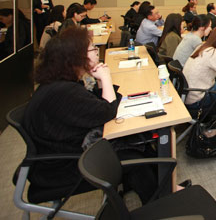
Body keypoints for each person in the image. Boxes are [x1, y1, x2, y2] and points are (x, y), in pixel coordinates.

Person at [22, 27, 160, 203]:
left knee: (138, 142)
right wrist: (106, 78)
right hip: (61, 167)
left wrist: (101, 81)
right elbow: (106, 112)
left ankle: (162, 189)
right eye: (93, 49)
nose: (96, 52)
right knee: (134, 157)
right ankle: (157, 203)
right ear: (77, 57)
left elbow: (98, 105)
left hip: (64, 152)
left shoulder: (61, 84)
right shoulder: (64, 92)